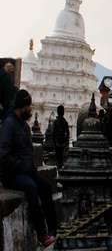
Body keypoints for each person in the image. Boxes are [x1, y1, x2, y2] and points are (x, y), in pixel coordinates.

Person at [0, 90, 57, 248]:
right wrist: (20, 166)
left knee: (45, 187)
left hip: (27, 171)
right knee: (31, 188)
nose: (31, 109)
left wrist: (29, 167)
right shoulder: (9, 124)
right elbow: (3, 155)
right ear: (23, 106)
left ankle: (54, 228)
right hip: (13, 175)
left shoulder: (24, 125)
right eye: (29, 106)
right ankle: (42, 234)